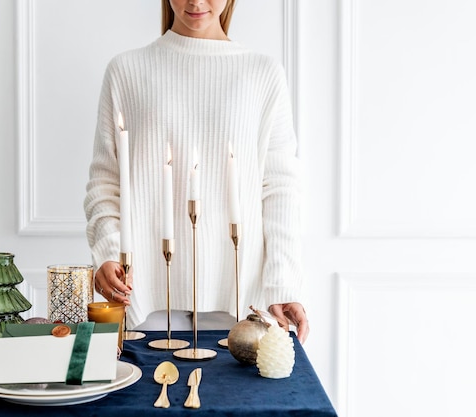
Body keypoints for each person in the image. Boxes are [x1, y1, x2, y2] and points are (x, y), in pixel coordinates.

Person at [84, 0, 309, 343]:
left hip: (241, 304)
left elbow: (279, 189)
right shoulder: (126, 70)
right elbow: (105, 181)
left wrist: (282, 283)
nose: (196, 2)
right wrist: (109, 251)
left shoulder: (262, 73)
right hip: (144, 303)